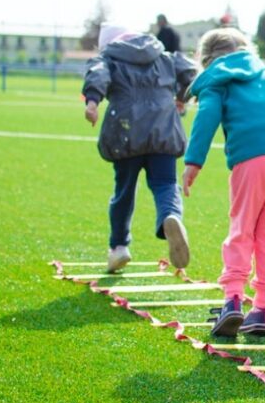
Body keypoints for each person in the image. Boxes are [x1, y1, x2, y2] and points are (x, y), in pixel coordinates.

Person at [182, 28, 265, 337]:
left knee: (242, 229)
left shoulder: (218, 81)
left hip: (251, 159)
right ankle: (262, 308)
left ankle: (232, 301)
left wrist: (193, 161)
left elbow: (207, 116)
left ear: (207, 60)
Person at [82, 23, 196, 273]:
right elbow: (189, 71)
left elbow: (98, 74)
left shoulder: (109, 58)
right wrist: (182, 96)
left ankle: (119, 247)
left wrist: (92, 102)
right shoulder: (163, 55)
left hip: (125, 132)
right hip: (164, 129)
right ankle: (170, 216)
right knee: (166, 183)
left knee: (124, 191)